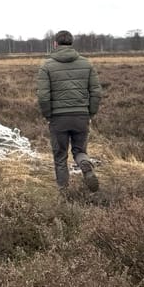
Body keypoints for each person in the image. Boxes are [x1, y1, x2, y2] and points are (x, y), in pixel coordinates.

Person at [36, 30, 102, 192]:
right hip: (81, 116)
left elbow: (43, 96)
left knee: (60, 157)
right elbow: (96, 92)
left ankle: (64, 192)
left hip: (58, 118)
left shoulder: (46, 66)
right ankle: (85, 165)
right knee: (79, 150)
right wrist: (90, 113)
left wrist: (48, 115)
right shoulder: (87, 64)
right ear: (71, 43)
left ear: (55, 44)